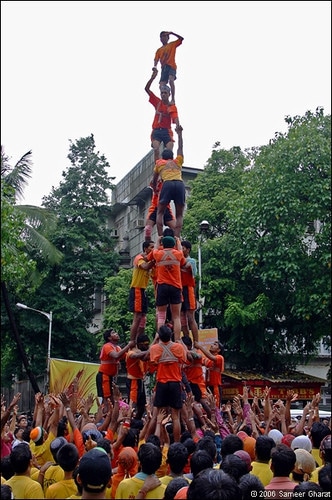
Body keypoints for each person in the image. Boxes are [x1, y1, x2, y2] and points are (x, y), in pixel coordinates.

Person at [148, 325, 188, 442]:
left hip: (161, 383)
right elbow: (184, 361)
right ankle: (176, 443)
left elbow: (152, 363)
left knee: (158, 416)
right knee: (176, 417)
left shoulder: (154, 348)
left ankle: (155, 441)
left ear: (159, 336)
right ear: (171, 335)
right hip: (175, 383)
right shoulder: (179, 347)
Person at [146, 235, 189, 341]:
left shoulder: (158, 254)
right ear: (173, 244)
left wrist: (157, 240)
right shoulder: (178, 254)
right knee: (176, 316)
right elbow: (183, 260)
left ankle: (160, 339)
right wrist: (178, 241)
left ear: (163, 244)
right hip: (175, 287)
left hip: (162, 286)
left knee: (161, 315)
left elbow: (155, 249)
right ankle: (178, 340)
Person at [151, 127, 185, 238]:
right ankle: (177, 237)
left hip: (168, 184)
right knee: (179, 214)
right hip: (179, 184)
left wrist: (155, 188)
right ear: (172, 156)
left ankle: (160, 236)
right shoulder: (178, 161)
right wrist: (179, 134)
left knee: (160, 212)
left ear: (163, 157)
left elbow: (154, 180)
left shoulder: (159, 163)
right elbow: (180, 147)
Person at [145, 69, 182, 163]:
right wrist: (152, 78)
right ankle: (157, 168)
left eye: (165, 93)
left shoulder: (171, 106)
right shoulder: (157, 102)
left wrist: (178, 126)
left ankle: (168, 169)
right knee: (156, 149)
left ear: (169, 94)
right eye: (162, 93)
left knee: (169, 151)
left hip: (166, 131)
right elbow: (147, 89)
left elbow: (175, 117)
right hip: (157, 131)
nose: (163, 94)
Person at [96, 329, 135, 408]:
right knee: (107, 400)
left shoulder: (117, 347)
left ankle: (109, 416)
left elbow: (126, 357)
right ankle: (104, 417)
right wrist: (128, 346)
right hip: (104, 376)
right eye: (113, 333)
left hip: (110, 377)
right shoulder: (107, 346)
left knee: (112, 400)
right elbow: (116, 356)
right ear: (109, 338)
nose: (116, 333)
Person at [129, 240, 156, 341]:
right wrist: (153, 260)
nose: (153, 250)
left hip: (143, 290)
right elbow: (145, 267)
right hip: (137, 289)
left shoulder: (150, 260)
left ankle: (139, 340)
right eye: (151, 247)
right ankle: (132, 342)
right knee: (137, 317)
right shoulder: (139, 258)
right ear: (145, 248)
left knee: (143, 317)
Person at [153, 31, 184, 104]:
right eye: (162, 37)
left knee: (171, 80)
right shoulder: (159, 50)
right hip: (164, 69)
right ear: (160, 39)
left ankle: (173, 99)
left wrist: (172, 33)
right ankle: (164, 99)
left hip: (171, 66)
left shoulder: (172, 45)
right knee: (161, 85)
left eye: (165, 36)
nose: (163, 38)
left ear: (167, 38)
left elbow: (181, 39)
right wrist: (155, 67)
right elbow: (156, 59)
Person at [125, 334, 150, 420]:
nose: (147, 346)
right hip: (133, 381)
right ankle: (128, 423)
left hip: (140, 381)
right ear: (139, 344)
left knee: (142, 406)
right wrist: (150, 350)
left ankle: (137, 421)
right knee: (133, 404)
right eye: (146, 344)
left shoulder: (143, 354)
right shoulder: (132, 352)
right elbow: (133, 356)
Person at [194, 340, 224, 409]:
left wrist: (200, 347)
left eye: (215, 345)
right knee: (208, 407)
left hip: (215, 387)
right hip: (207, 387)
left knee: (215, 408)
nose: (212, 345)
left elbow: (211, 357)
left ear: (219, 350)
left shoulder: (220, 357)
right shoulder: (207, 360)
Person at [180, 240, 199, 343]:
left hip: (188, 289)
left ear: (188, 250)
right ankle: (187, 341)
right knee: (182, 318)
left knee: (190, 317)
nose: (181, 250)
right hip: (179, 289)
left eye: (182, 248)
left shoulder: (191, 261)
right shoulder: (178, 260)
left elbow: (192, 272)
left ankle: (196, 342)